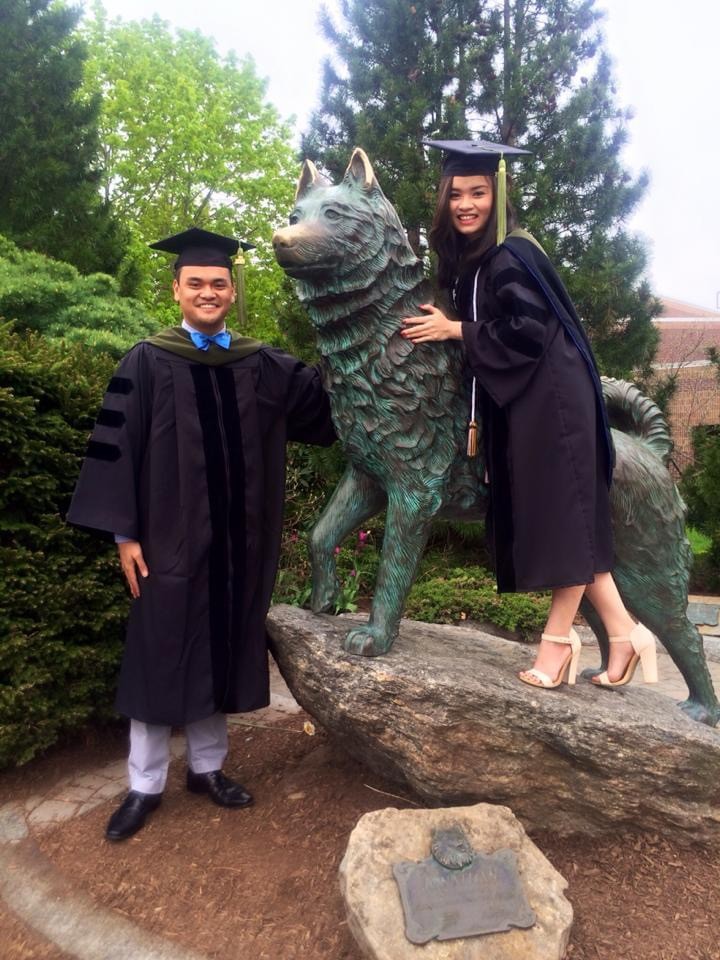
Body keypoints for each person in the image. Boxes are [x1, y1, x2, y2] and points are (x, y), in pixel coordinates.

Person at [67, 228, 335, 841]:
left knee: (221, 644)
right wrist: (123, 536)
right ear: (177, 290)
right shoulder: (146, 359)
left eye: (218, 284)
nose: (208, 293)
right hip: (165, 541)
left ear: (231, 289)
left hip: (238, 544)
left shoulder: (258, 362)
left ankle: (208, 770)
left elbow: (325, 404)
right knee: (161, 652)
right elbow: (117, 449)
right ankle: (144, 783)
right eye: (197, 284)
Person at [400, 140, 657, 692]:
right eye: (456, 194)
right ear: (443, 201)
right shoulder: (477, 261)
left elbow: (528, 332)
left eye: (478, 192)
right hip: (533, 400)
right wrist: (452, 320)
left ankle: (557, 642)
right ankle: (624, 633)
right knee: (571, 523)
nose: (466, 204)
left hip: (552, 403)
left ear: (497, 195)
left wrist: (457, 331)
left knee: (562, 523)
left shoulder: (510, 254)